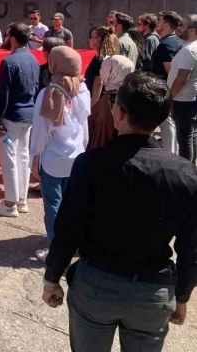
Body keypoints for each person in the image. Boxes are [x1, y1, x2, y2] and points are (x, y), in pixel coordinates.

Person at [42, 73, 197, 351]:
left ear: (120, 112)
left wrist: (52, 278)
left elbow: (68, 228)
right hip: (152, 290)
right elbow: (191, 246)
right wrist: (182, 295)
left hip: (97, 284)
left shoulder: (90, 164)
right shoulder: (185, 173)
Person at [30, 46, 90, 263]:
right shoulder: (83, 89)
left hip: (54, 158)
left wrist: (34, 158)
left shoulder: (49, 93)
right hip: (77, 156)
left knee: (53, 203)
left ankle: (57, 249)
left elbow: (40, 132)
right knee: (72, 203)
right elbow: (84, 126)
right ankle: (73, 242)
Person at [0, 23, 40, 217]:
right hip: (28, 114)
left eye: (8, 35)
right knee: (23, 157)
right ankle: (21, 200)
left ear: (14, 39)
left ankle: (10, 203)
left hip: (11, 116)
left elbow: (3, 94)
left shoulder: (9, 62)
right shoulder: (33, 59)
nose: (6, 39)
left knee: (9, 159)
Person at [88, 54, 135, 150]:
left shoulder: (110, 98)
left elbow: (102, 135)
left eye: (104, 68)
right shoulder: (130, 94)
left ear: (112, 72)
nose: (101, 71)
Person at [168, 14, 197, 163]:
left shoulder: (189, 50)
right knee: (190, 136)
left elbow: (181, 78)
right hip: (189, 98)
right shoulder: (189, 48)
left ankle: (186, 170)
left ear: (192, 30)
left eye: (183, 26)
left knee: (185, 138)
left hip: (183, 99)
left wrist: (169, 98)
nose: (179, 28)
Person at [153, 11, 184, 153]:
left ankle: (169, 152)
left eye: (159, 20)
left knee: (166, 122)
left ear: (166, 24)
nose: (156, 22)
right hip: (171, 89)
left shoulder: (165, 44)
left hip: (164, 89)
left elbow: (171, 70)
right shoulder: (178, 41)